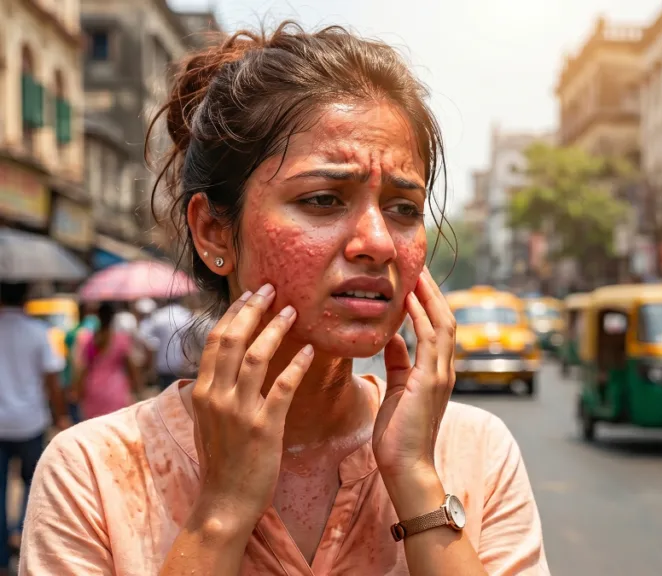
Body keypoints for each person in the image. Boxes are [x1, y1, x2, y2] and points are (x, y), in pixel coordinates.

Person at [21, 24, 549, 576]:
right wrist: (220, 513)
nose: (376, 243)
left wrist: (417, 481)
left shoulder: (474, 452)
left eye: (403, 209)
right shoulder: (95, 471)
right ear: (213, 233)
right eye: (323, 199)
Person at [0, 282, 68, 576]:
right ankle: (26, 544)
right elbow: (53, 381)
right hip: (31, 422)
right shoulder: (39, 332)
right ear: (27, 299)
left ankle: (2, 557)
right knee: (33, 487)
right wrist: (61, 416)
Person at [72, 302, 144, 420]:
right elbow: (132, 367)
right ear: (113, 317)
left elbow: (82, 368)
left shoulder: (88, 339)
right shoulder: (121, 339)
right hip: (116, 391)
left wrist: (78, 390)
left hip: (92, 391)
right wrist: (138, 390)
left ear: (98, 317)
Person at [139, 298, 196, 388]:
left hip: (163, 364)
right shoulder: (187, 315)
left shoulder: (158, 316)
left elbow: (146, 338)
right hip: (184, 364)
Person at [62, 300, 100, 423]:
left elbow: (72, 360)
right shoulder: (96, 328)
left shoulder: (72, 332)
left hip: (75, 377)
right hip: (90, 379)